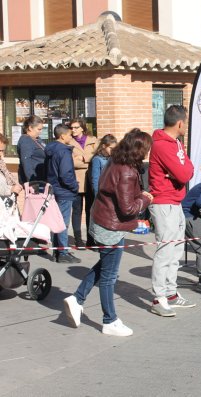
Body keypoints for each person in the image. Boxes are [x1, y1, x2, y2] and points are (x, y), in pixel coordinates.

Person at [63, 129, 153, 337]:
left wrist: (140, 194)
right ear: (138, 149)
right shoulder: (127, 171)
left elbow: (121, 194)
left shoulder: (115, 161)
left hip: (103, 219)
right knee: (109, 276)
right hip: (111, 226)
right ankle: (109, 320)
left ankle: (77, 298)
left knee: (104, 265)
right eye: (146, 149)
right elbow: (128, 208)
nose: (148, 153)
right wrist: (146, 199)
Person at [149, 105, 195, 317]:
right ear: (179, 123)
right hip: (163, 202)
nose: (186, 125)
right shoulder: (162, 145)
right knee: (165, 252)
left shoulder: (176, 142)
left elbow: (187, 169)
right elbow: (184, 174)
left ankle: (171, 293)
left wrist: (181, 169)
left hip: (176, 201)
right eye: (185, 122)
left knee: (176, 251)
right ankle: (158, 298)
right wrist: (179, 170)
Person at [45, 124, 81, 263]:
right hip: (64, 191)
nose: (71, 137)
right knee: (63, 223)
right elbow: (66, 174)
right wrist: (74, 187)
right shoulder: (63, 151)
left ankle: (57, 251)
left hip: (54, 189)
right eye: (69, 135)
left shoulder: (50, 149)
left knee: (56, 221)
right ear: (62, 135)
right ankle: (63, 252)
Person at [68, 118, 98, 248]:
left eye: (76, 127)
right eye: (72, 127)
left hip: (91, 179)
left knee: (90, 210)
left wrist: (83, 157)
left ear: (82, 128)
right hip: (77, 181)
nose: (73, 130)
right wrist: (87, 160)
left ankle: (91, 240)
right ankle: (78, 240)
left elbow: (97, 155)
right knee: (77, 211)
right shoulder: (69, 142)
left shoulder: (93, 140)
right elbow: (70, 162)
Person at [17, 115, 46, 184]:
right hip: (34, 179)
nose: (40, 132)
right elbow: (26, 162)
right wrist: (32, 182)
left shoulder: (37, 139)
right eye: (39, 129)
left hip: (42, 176)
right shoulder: (26, 140)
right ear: (30, 128)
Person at [0, 133, 23, 199]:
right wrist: (10, 189)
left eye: (3, 151)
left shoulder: (1, 164)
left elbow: (7, 176)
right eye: (0, 151)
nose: (2, 155)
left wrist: (15, 184)